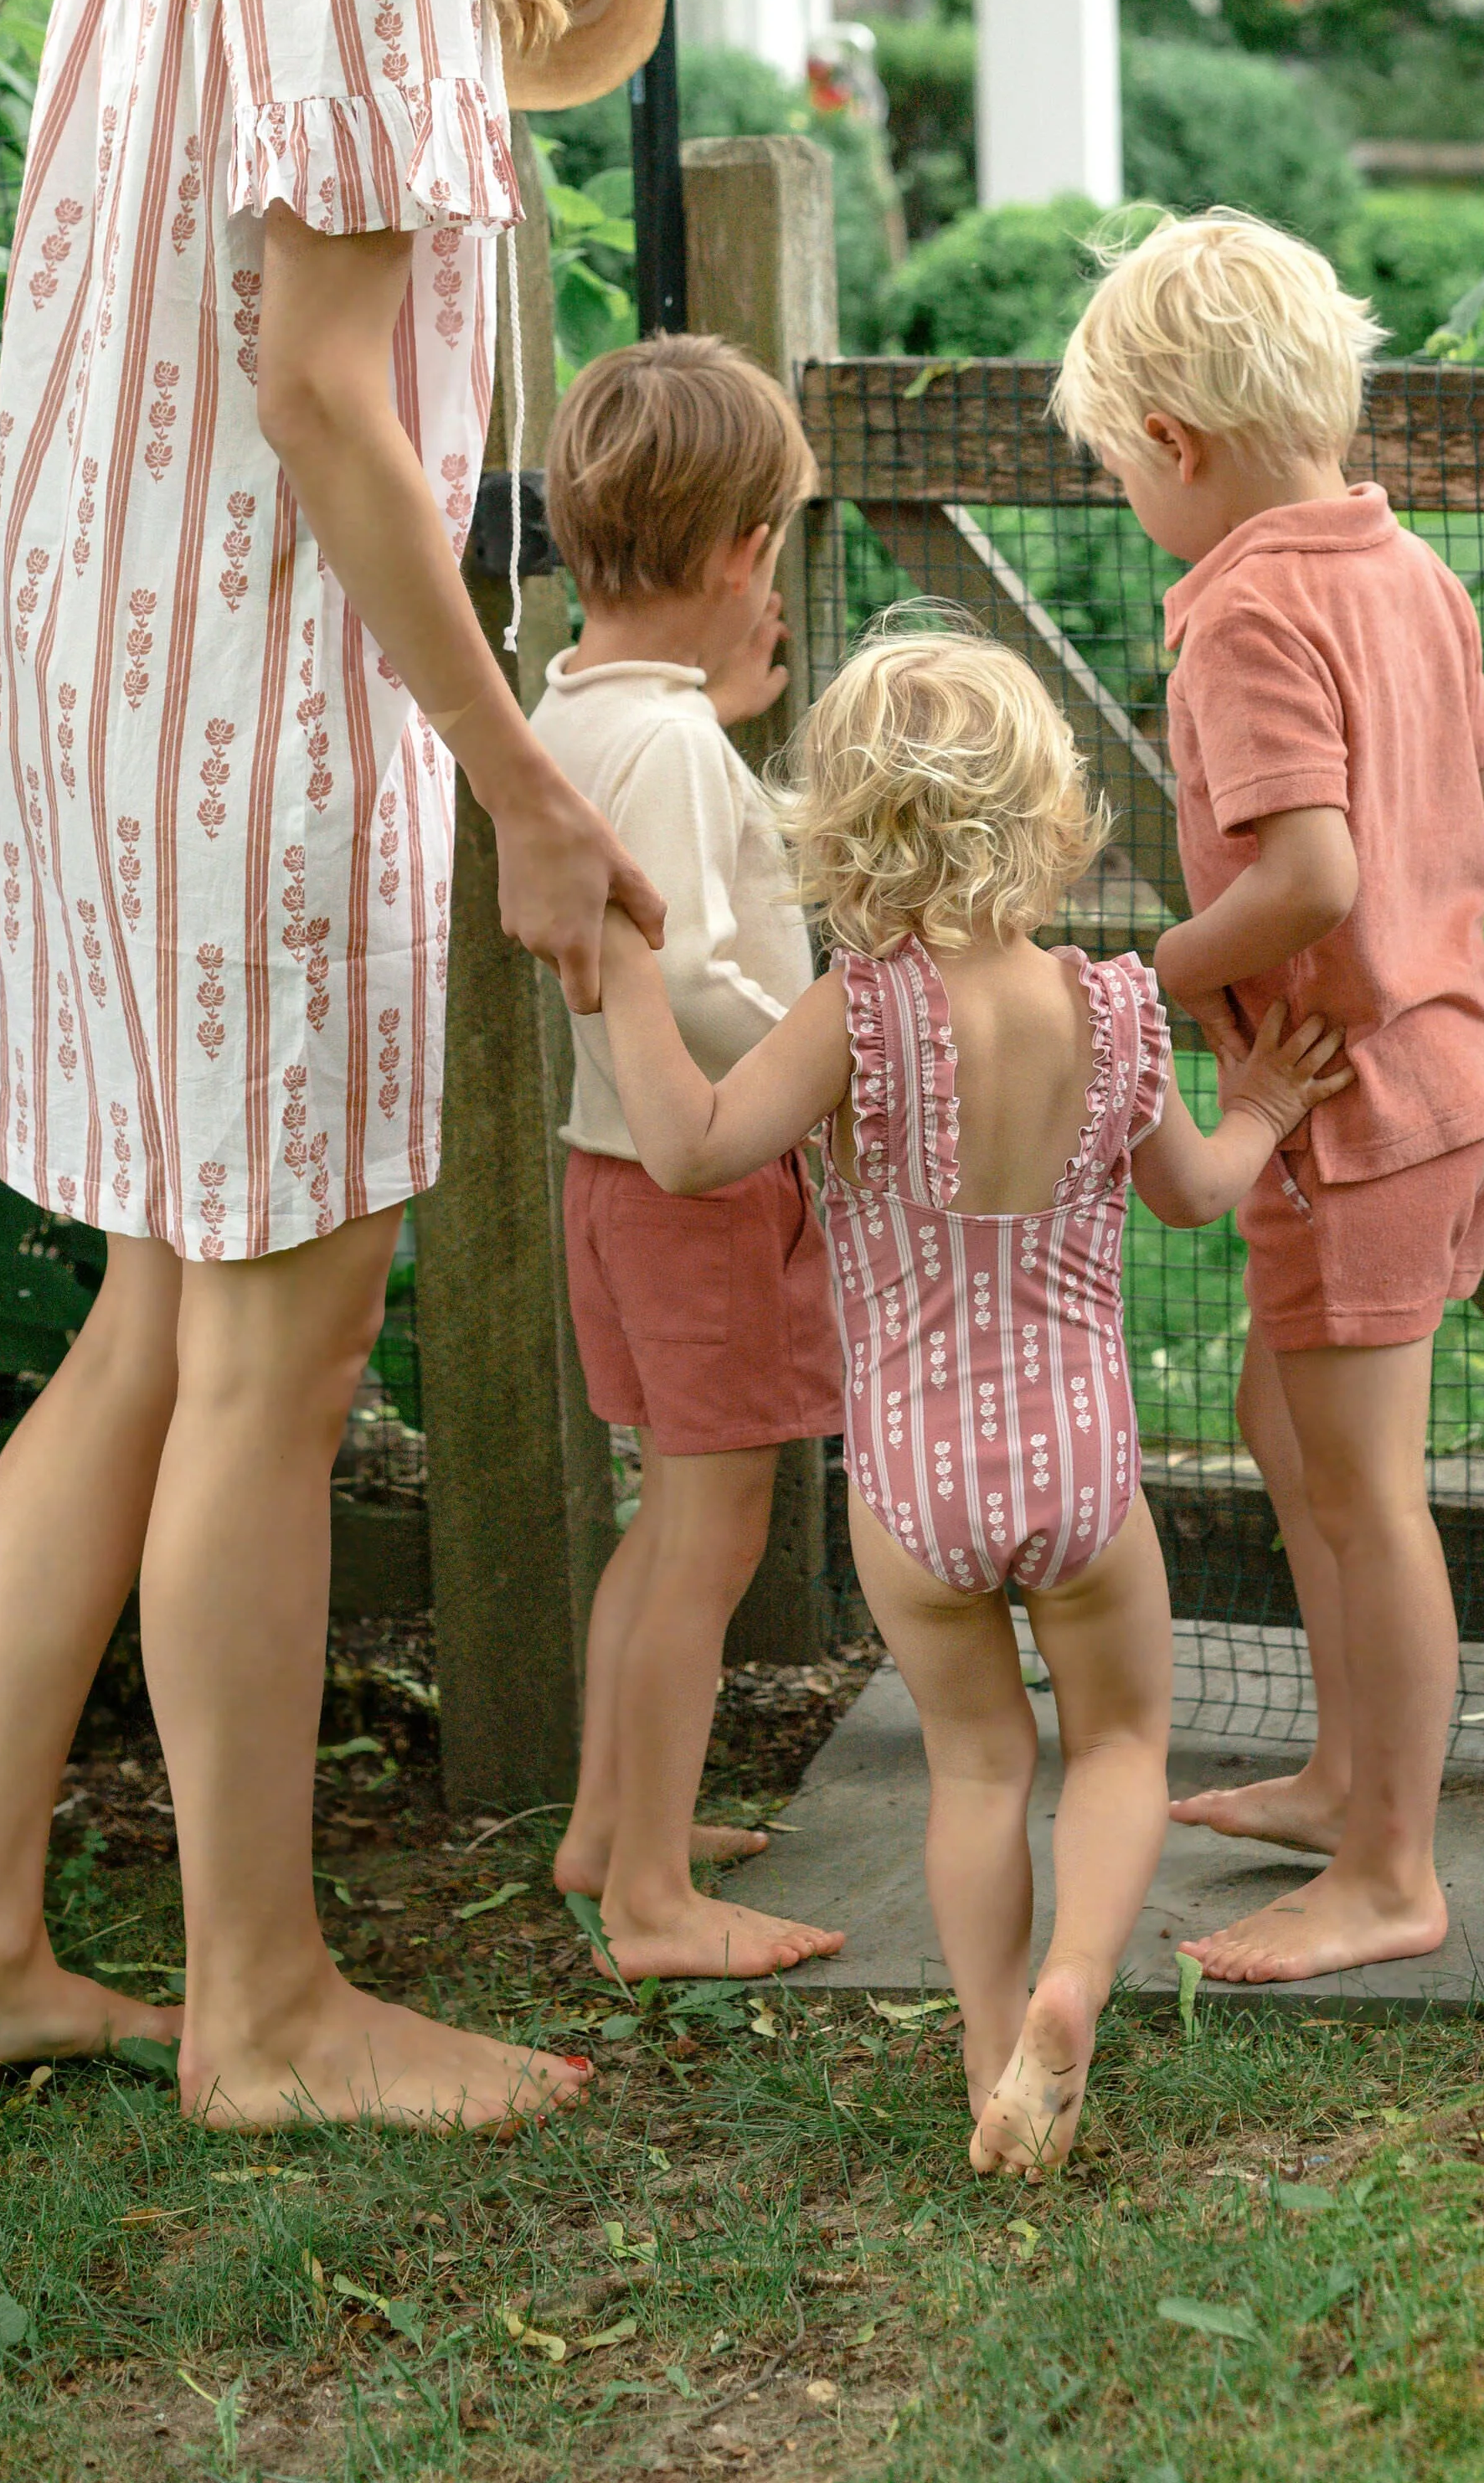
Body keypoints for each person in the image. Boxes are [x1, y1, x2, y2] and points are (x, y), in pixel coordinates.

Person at [0, 0, 672, 2130]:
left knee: (149, 1321)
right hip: (269, 703)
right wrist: (537, 791)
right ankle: (262, 2001)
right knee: (276, 1348)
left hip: (116, 693)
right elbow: (340, 399)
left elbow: (505, 79)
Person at [590, 626, 1348, 2171]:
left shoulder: (853, 1018)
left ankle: (989, 2046)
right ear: (1055, 821)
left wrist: (616, 969)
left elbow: (685, 1150)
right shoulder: (1120, 1008)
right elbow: (1198, 1192)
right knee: (1126, 1741)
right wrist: (1263, 1107)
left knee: (977, 1767)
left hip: (913, 1484)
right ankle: (1080, 1983)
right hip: (1080, 1465)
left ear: (847, 832)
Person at [1054, 209, 1484, 1986]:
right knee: (1287, 1425)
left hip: (1354, 1113)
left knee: (1363, 1488)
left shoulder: (1247, 609)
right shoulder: (1410, 570)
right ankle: (1345, 1776)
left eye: (1122, 476)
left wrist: (1135, 981)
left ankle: (1393, 1866)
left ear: (1174, 447)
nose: (1133, 506)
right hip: (1452, 1076)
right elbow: (1479, 800)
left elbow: (1312, 877)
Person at [530, 336, 848, 1983]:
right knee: (709, 1540)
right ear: (741, 554)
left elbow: (648, 826)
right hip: (702, 1185)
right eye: (774, 546)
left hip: (611, 1179)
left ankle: (609, 1828)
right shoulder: (664, 750)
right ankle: (651, 1898)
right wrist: (839, 1050)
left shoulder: (577, 709)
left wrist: (716, 719)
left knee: (666, 1531)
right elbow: (715, 985)